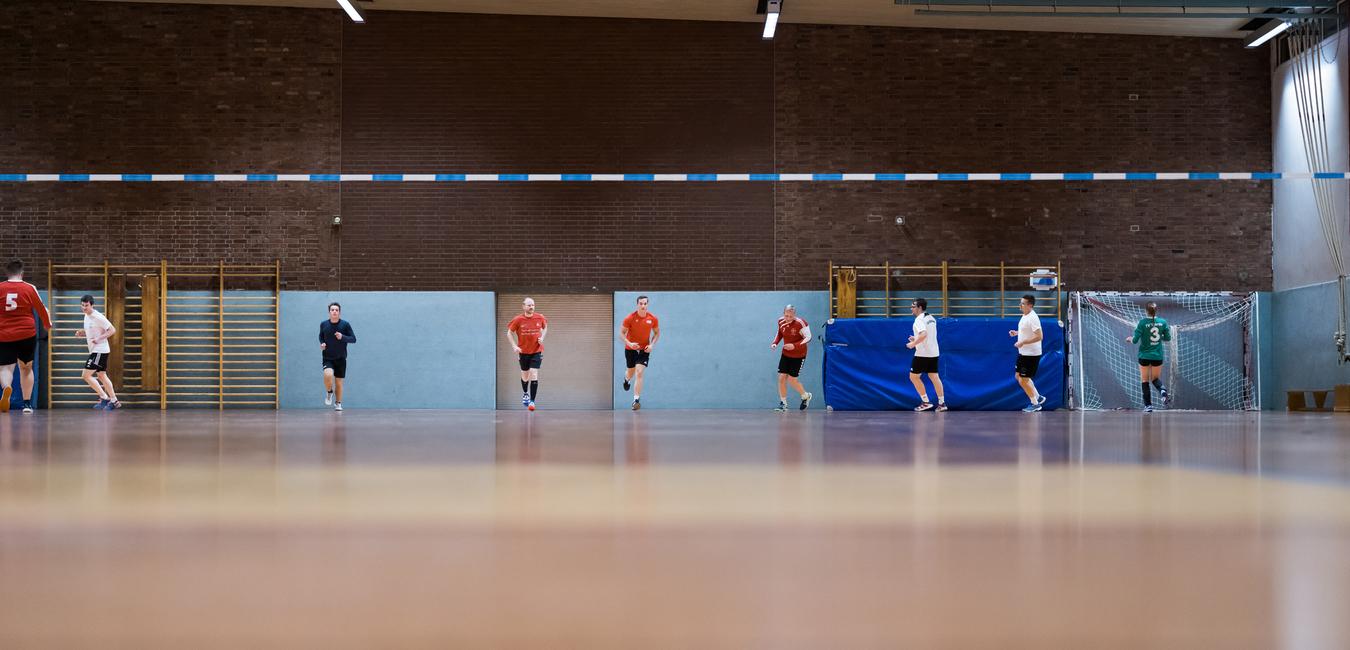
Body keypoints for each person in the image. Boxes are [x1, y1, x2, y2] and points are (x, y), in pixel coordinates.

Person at [0, 260, 52, 414]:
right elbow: (40, 308)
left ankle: (6, 388)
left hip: (4, 334)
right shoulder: (30, 288)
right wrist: (47, 324)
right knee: (26, 368)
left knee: (5, 368)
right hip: (26, 333)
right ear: (22, 273)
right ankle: (27, 404)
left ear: (6, 273)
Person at [74, 295, 121, 410]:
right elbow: (92, 331)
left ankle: (104, 397)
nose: (84, 308)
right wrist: (82, 333)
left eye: (86, 305)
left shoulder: (98, 316)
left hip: (100, 350)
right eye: (82, 305)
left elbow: (112, 330)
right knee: (101, 375)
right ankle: (114, 400)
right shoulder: (86, 316)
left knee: (85, 375)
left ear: (92, 305)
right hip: (97, 351)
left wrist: (99, 339)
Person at [1126, 301, 1173, 413]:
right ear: (1156, 310)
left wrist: (1129, 339)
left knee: (1145, 380)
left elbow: (1135, 340)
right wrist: (1159, 335)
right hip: (1157, 355)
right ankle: (1163, 392)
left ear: (1146, 311)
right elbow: (1168, 338)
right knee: (1155, 379)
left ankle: (1148, 406)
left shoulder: (1142, 323)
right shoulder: (1163, 322)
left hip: (1144, 356)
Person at [506, 297, 548, 411]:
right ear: (523, 306)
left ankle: (532, 402)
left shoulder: (540, 317)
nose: (531, 307)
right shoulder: (518, 320)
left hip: (536, 350)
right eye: (529, 305)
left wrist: (542, 337)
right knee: (525, 376)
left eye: (533, 305)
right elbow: (509, 333)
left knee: (534, 374)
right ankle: (525, 393)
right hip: (523, 352)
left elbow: (545, 327)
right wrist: (514, 346)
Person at [620, 295, 660, 411]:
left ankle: (636, 400)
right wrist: (630, 343)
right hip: (630, 348)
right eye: (641, 303)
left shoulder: (652, 318)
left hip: (644, 349)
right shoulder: (630, 318)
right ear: (637, 304)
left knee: (639, 372)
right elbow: (622, 333)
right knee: (631, 373)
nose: (643, 306)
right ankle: (626, 379)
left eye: (645, 303)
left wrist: (652, 345)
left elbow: (657, 333)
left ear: (648, 304)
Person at [770, 304, 812, 412]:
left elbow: (808, 337)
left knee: (792, 380)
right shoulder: (780, 321)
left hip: (799, 355)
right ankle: (783, 404)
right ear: (783, 314)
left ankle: (806, 396)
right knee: (782, 378)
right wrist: (775, 343)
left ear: (794, 315)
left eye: (790, 316)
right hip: (786, 354)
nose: (788, 318)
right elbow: (780, 332)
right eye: (786, 316)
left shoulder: (801, 323)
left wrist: (794, 346)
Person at [906, 298, 946, 412]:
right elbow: (928, 335)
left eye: (913, 306)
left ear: (919, 307)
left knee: (913, 377)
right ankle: (942, 403)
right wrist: (916, 338)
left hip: (922, 353)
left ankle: (925, 402)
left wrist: (913, 343)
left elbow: (924, 334)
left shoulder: (919, 320)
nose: (911, 308)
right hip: (934, 352)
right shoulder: (931, 318)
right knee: (934, 377)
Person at [1009, 294, 1047, 413]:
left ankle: (1035, 404)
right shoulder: (1025, 316)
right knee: (1018, 376)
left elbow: (1039, 336)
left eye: (1023, 303)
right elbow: (1026, 330)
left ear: (1030, 305)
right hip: (1023, 352)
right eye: (1020, 303)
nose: (1020, 305)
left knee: (1024, 380)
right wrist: (1017, 333)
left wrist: (1023, 342)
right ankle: (1038, 397)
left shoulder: (1033, 317)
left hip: (1031, 354)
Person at [319, 302, 356, 411]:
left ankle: (338, 403)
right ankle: (329, 392)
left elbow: (353, 339)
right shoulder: (323, 324)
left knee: (339, 383)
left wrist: (342, 337)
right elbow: (321, 336)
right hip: (328, 357)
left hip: (341, 358)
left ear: (339, 312)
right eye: (332, 310)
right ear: (329, 312)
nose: (334, 311)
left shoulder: (345, 325)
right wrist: (322, 343)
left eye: (336, 310)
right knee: (328, 374)